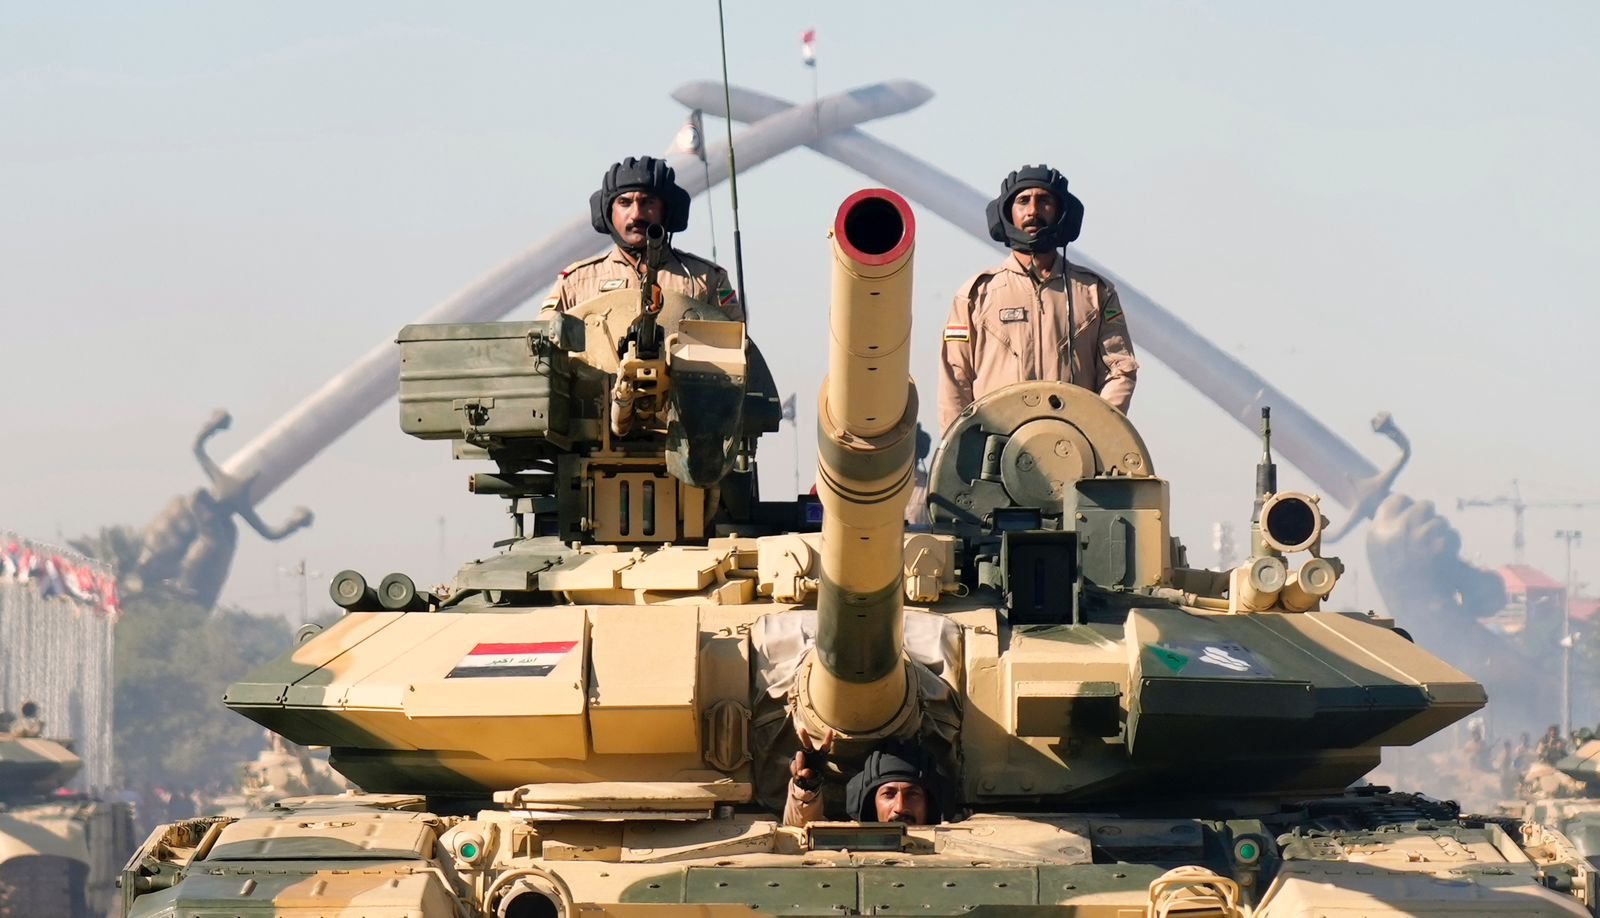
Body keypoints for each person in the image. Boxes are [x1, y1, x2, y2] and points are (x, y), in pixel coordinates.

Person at [937, 164, 1136, 432]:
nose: (1033, 211)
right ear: (1007, 212)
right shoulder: (975, 295)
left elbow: (1120, 369)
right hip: (996, 447)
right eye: (1023, 201)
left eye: (1044, 201)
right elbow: (955, 380)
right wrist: (958, 446)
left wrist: (1095, 430)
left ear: (1062, 212)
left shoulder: (1095, 292)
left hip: (1073, 445)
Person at [541, 155, 742, 322]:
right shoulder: (577, 283)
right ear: (607, 212)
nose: (636, 215)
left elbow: (737, 344)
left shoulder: (705, 279)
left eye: (648, 202)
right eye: (624, 202)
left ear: (666, 211)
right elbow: (539, 344)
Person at [783, 737, 940, 828]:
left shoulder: (950, 848)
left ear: (928, 802)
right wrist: (806, 789)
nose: (900, 807)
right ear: (873, 803)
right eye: (889, 794)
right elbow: (801, 835)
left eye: (912, 794)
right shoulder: (851, 847)